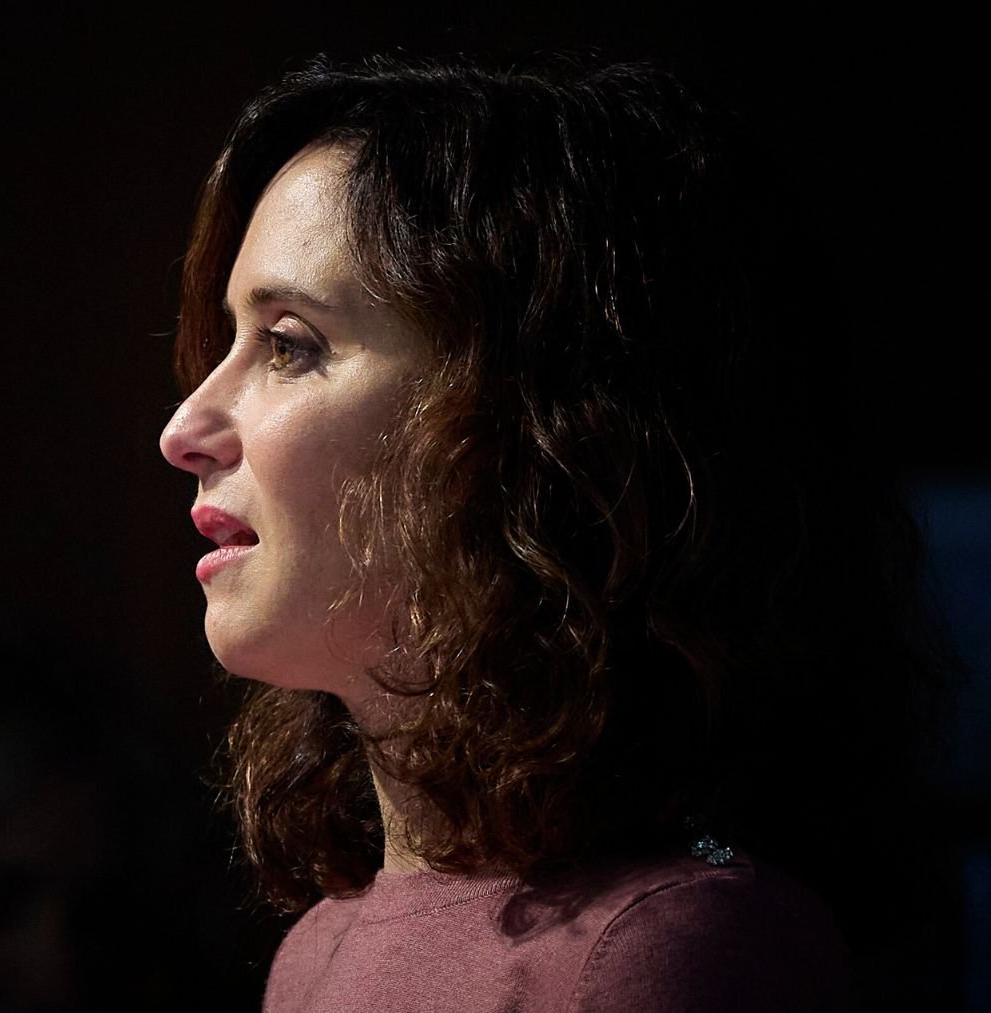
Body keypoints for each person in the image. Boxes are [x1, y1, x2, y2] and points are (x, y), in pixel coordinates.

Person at [158, 55, 951, 1011]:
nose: (184, 429)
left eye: (289, 345)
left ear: (530, 433)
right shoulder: (314, 954)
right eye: (227, 344)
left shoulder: (669, 950)